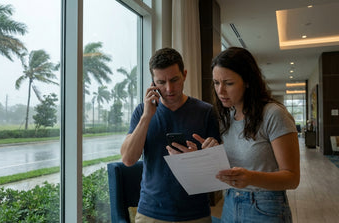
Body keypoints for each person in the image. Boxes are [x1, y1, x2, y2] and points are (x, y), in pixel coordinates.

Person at [120, 47, 221, 223]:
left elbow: (218, 172)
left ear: (185, 74)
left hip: (195, 213)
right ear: (152, 83)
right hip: (151, 212)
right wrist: (146, 117)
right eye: (161, 82)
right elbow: (128, 159)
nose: (169, 88)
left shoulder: (206, 112)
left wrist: (200, 157)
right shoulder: (142, 112)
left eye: (174, 80)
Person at [210, 46, 300, 222]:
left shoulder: (273, 114)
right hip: (230, 202)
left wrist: (252, 177)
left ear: (248, 81)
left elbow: (292, 178)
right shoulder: (228, 116)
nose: (220, 91)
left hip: (265, 207)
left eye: (228, 83)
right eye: (216, 83)